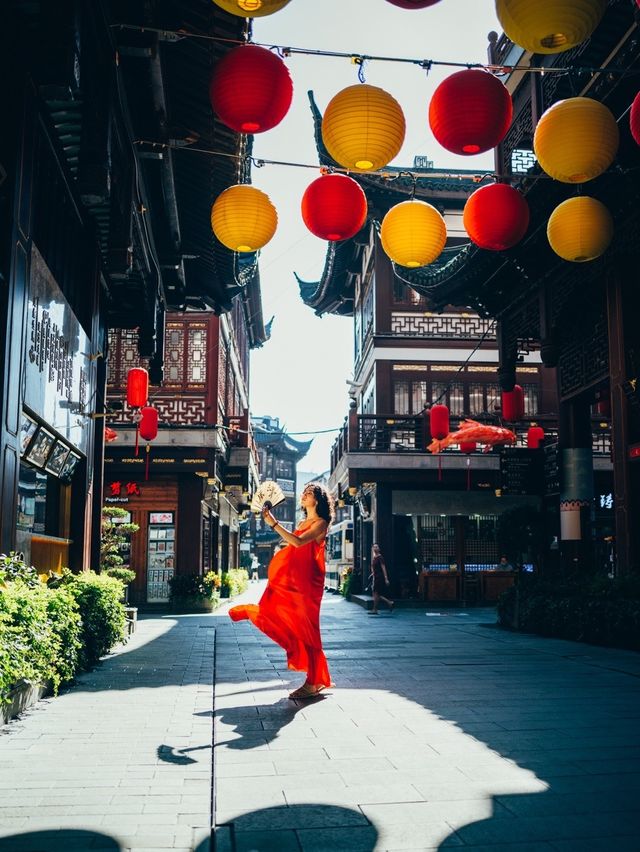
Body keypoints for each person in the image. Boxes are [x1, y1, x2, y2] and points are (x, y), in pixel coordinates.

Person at [229, 483, 334, 700]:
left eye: (309, 493)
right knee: (286, 615)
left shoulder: (321, 523)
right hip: (296, 581)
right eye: (304, 492)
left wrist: (273, 523)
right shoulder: (304, 521)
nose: (304, 495)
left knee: (308, 629)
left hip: (308, 584)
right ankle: (315, 679)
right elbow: (293, 548)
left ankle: (313, 681)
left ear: (318, 500)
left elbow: (297, 542)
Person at [368, 544, 394, 614]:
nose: (375, 548)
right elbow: (374, 569)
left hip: (380, 577)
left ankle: (375, 609)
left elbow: (383, 568)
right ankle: (389, 602)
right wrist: (372, 574)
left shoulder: (380, 557)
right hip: (375, 577)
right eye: (374, 547)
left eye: (376, 547)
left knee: (376, 593)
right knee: (375, 594)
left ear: (379, 549)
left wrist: (386, 578)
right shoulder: (374, 557)